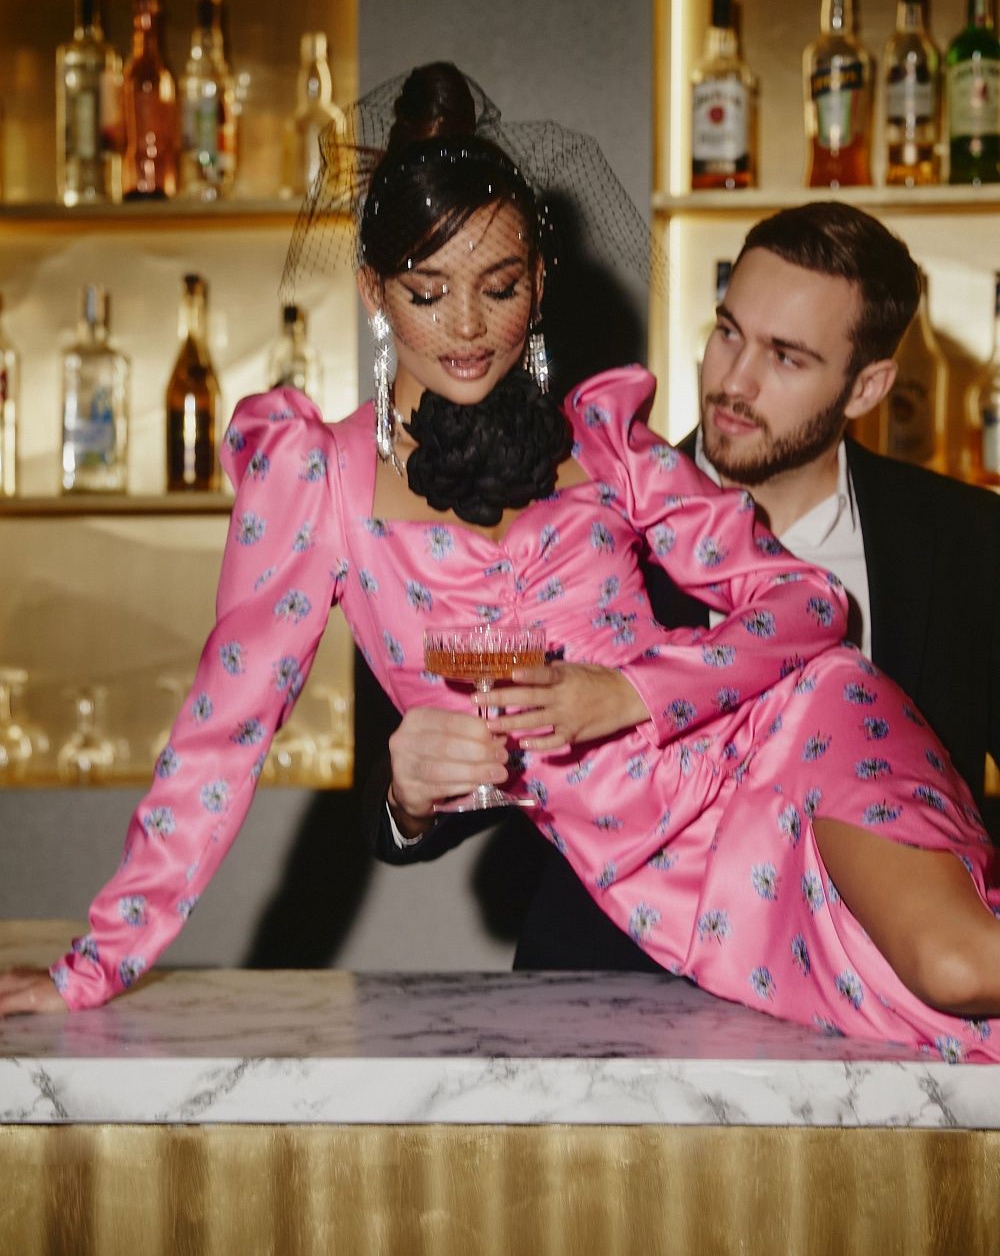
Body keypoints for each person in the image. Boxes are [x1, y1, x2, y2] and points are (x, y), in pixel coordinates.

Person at [1, 66, 998, 1064]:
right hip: (674, 891)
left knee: (958, 967)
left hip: (796, 738)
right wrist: (95, 964)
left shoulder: (605, 442)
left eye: (500, 287)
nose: (468, 328)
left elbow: (809, 602)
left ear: (539, 282)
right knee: (959, 1015)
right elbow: (220, 739)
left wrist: (628, 692)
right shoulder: (316, 478)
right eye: (426, 292)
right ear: (374, 291)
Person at [370, 201, 1000, 974]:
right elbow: (456, 772)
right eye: (728, 332)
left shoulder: (968, 540)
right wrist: (411, 799)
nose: (734, 381)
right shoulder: (582, 514)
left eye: (786, 357)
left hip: (895, 1005)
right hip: (620, 995)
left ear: (867, 387)